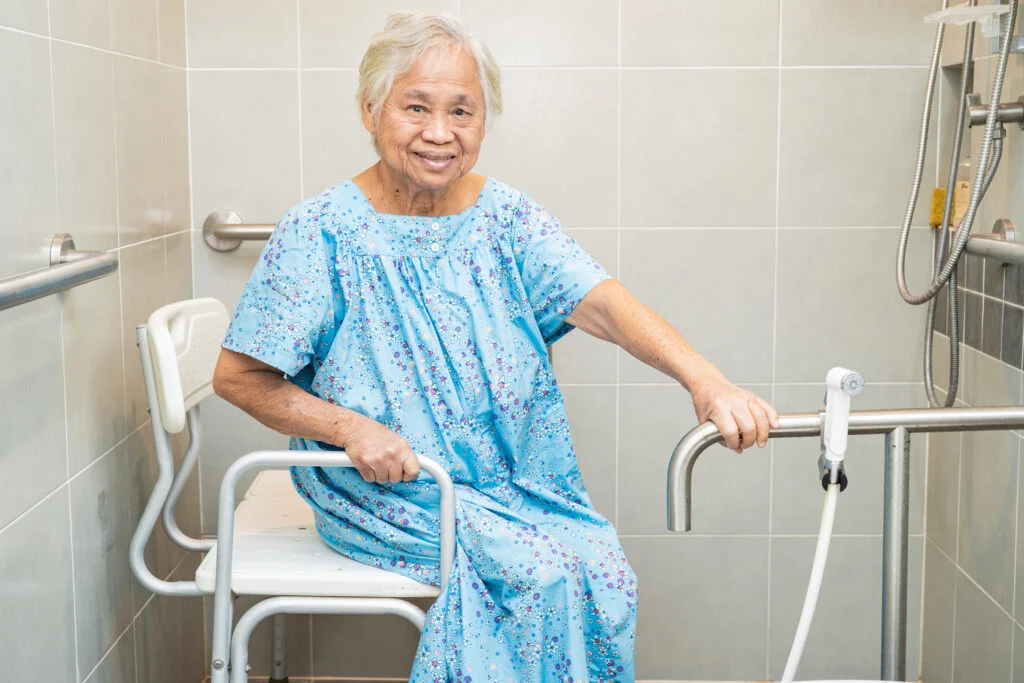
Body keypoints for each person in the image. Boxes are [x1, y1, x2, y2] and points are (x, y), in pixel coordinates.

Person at [213, 10, 778, 682]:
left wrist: (704, 379)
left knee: (604, 569)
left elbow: (600, 301)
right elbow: (238, 376)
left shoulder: (507, 218)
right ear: (370, 110)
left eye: (463, 111)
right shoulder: (320, 231)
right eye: (415, 106)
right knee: (536, 579)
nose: (439, 133)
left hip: (517, 485)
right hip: (390, 489)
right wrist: (349, 427)